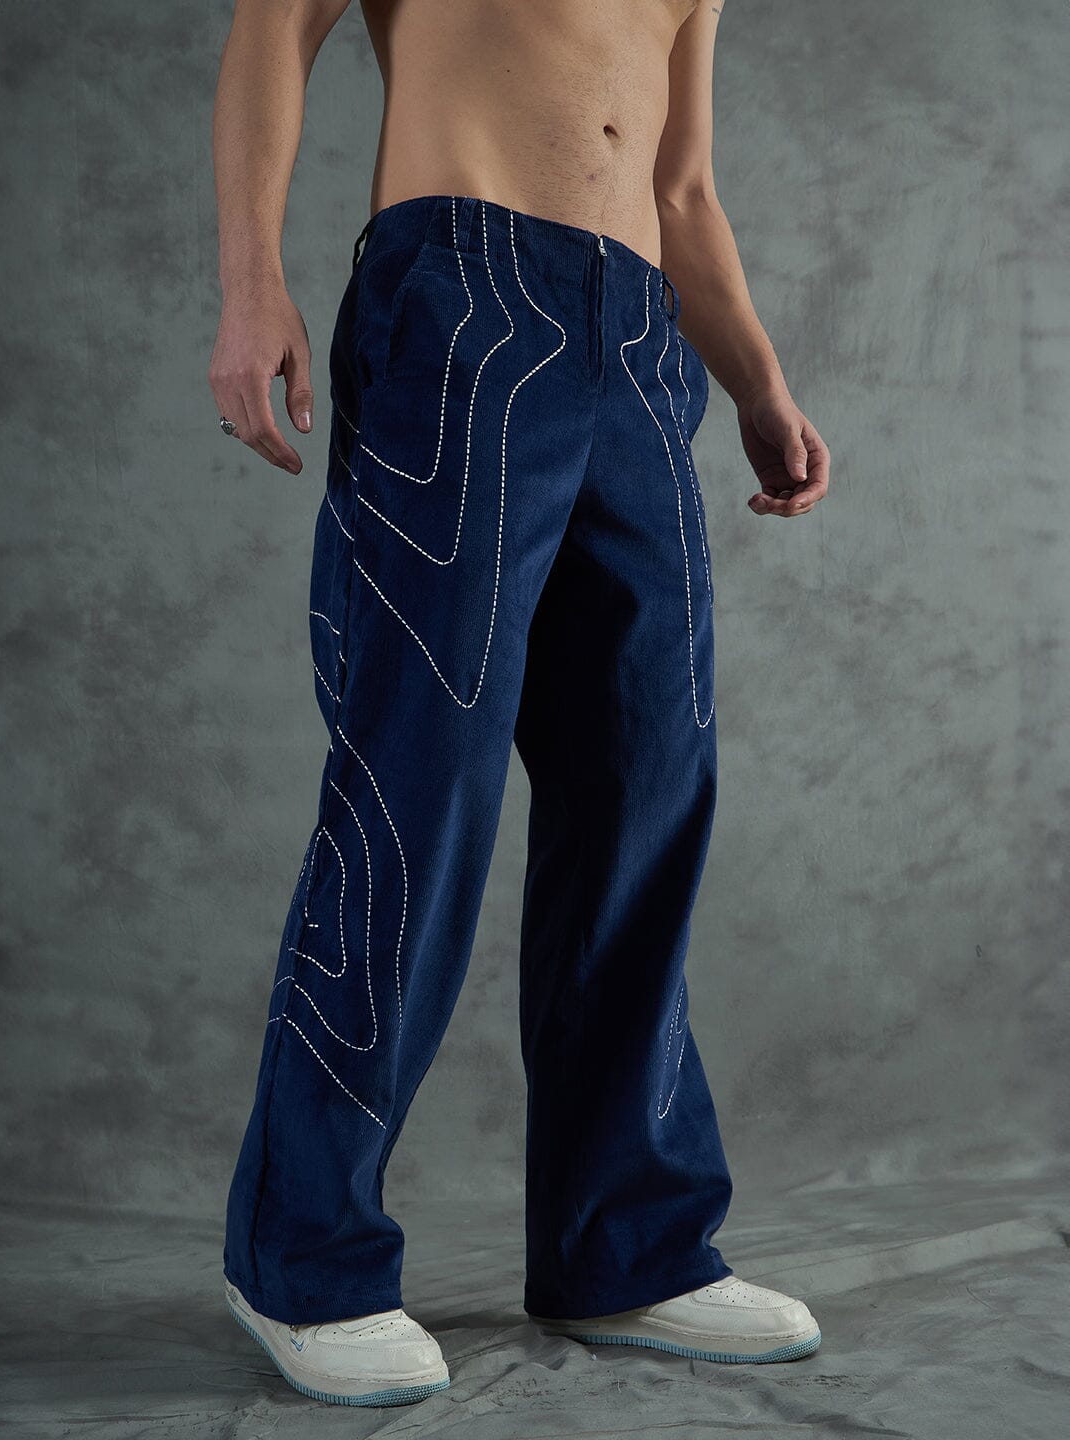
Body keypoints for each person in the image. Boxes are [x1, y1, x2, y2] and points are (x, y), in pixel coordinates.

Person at [208, 0, 831, 1410]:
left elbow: (682, 186)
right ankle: (300, 1255)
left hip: (642, 335)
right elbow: (271, 29)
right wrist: (253, 285)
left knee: (647, 789)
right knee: (418, 783)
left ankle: (628, 1247)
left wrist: (758, 382)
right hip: (464, 297)